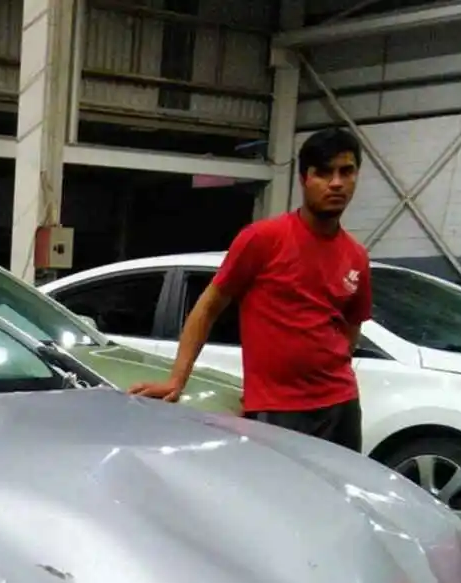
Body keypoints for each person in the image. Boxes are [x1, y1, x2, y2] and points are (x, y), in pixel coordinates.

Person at [130, 127, 372, 452]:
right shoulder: (263, 239)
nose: (336, 183)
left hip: (341, 406)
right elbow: (209, 306)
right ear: (303, 179)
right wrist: (177, 379)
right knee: (277, 500)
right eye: (324, 173)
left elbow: (350, 327)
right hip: (279, 411)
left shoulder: (356, 255)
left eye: (347, 171)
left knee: (337, 500)